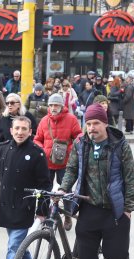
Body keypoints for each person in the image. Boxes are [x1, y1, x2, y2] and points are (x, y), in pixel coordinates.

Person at [59, 104, 134, 259]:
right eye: (88, 124)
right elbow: (72, 169)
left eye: (95, 124)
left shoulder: (119, 145)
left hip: (115, 210)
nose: (91, 128)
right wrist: (62, 188)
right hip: (89, 208)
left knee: (117, 255)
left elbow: (130, 178)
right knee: (86, 257)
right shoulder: (80, 143)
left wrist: (128, 208)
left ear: (105, 123)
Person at [0, 116, 51, 259]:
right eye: (17, 128)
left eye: (24, 129)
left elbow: (45, 184)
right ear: (11, 130)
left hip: (25, 206)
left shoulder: (37, 153)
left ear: (30, 132)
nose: (20, 132)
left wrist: (42, 211)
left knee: (14, 246)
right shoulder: (2, 149)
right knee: (19, 245)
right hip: (6, 205)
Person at [34, 93, 82, 232]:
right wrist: (43, 150)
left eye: (56, 105)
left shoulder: (71, 119)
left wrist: (70, 151)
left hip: (64, 163)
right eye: (51, 105)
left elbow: (78, 137)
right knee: (44, 191)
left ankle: (68, 215)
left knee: (65, 192)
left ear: (62, 106)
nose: (54, 108)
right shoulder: (44, 120)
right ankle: (43, 215)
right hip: (47, 163)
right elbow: (37, 139)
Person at [0, 92, 38, 164]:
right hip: (8, 153)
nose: (9, 105)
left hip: (26, 151)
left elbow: (35, 134)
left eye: (12, 103)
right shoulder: (4, 119)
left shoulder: (28, 116)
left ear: (19, 104)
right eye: (7, 103)